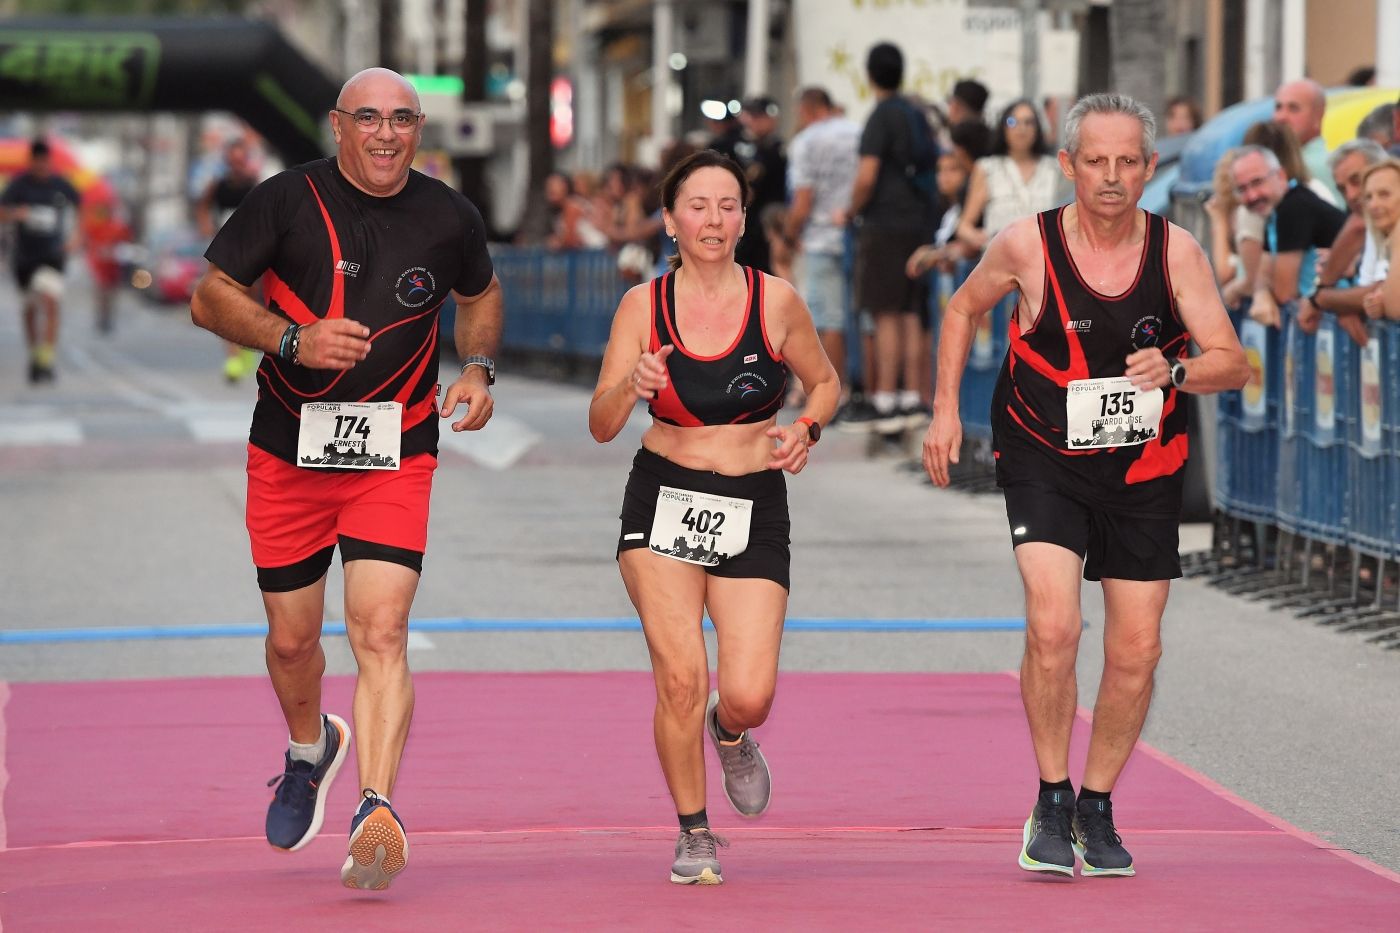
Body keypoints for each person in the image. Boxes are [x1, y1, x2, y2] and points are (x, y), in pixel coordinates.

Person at [189, 66, 503, 891]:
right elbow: (208, 296)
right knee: (294, 639)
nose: (387, 133)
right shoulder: (284, 201)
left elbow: (481, 293)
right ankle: (309, 748)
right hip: (288, 451)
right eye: (369, 117)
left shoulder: (449, 215)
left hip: (395, 451)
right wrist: (291, 341)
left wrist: (476, 368)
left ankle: (375, 806)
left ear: (420, 129)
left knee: (381, 630)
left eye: (402, 118)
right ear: (338, 125)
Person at [923, 93, 1249, 878]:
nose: (1110, 176)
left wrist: (1174, 369)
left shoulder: (1177, 254)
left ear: (1149, 167)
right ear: (1067, 165)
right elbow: (963, 311)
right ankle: (1052, 794)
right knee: (1055, 623)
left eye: (1127, 161)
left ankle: (1097, 802)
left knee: (1136, 647)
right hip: (1043, 453)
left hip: (1143, 466)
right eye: (1094, 160)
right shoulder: (1025, 245)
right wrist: (943, 411)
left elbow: (1233, 362)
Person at [588, 149, 838, 885]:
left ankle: (730, 732)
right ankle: (694, 832)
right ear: (670, 220)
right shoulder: (642, 306)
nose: (714, 220)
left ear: (743, 219)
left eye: (728, 205)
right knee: (681, 676)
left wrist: (808, 430)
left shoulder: (777, 301)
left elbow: (824, 384)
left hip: (754, 501)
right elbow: (601, 422)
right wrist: (633, 386)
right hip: (663, 495)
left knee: (750, 691)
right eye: (698, 205)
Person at [846, 42, 941, 434]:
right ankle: (912, 398)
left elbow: (867, 176)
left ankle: (885, 398)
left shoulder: (880, 117)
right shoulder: (915, 113)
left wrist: (850, 210)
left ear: (870, 75)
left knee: (884, 311)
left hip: (885, 224)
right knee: (911, 312)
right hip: (920, 224)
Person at [783, 86, 861, 414]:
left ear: (807, 109)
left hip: (818, 238)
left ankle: (833, 391)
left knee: (827, 320)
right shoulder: (856, 132)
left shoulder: (806, 142)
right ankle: (854, 388)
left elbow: (803, 199)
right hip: (854, 234)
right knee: (856, 318)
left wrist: (789, 233)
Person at [1230, 145, 1347, 330]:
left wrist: (1257, 293)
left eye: (1257, 182)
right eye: (1242, 189)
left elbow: (1285, 294)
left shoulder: (1294, 207)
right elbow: (1263, 273)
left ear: (1281, 176)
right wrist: (1261, 294)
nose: (1252, 195)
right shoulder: (1277, 209)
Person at [0, 138, 81, 384]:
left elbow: (81, 209)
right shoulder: (18, 186)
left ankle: (46, 359)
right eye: (38, 163)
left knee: (51, 301)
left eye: (46, 162)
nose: (42, 167)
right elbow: (2, 212)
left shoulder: (62, 185)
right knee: (30, 309)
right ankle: (35, 355)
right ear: (31, 162)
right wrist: (18, 213)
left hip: (52, 255)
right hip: (25, 258)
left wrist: (76, 237)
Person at [195, 139, 265, 383]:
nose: (236, 165)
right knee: (225, 303)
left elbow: (268, 216)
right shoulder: (219, 186)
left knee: (249, 302)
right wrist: (206, 228)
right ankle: (233, 357)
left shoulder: (255, 186)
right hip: (225, 252)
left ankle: (247, 348)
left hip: (252, 251)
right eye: (232, 160)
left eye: (240, 159)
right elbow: (202, 207)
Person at [1308, 139, 1388, 345]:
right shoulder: (1370, 225)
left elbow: (1385, 294)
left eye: (1356, 180)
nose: (1351, 195)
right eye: (1342, 189)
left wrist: (1322, 299)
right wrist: (1345, 306)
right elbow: (1368, 294)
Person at [1273, 79, 1340, 203]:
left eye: (1293, 108)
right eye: (1278, 107)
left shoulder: (1318, 164)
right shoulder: (1280, 161)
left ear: (1318, 115)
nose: (1281, 117)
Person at [81, 197, 133, 335]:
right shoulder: (95, 226)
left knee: (111, 295)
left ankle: (108, 319)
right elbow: (88, 242)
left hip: (113, 266)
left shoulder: (117, 226)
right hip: (99, 266)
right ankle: (101, 319)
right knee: (102, 293)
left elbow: (124, 241)